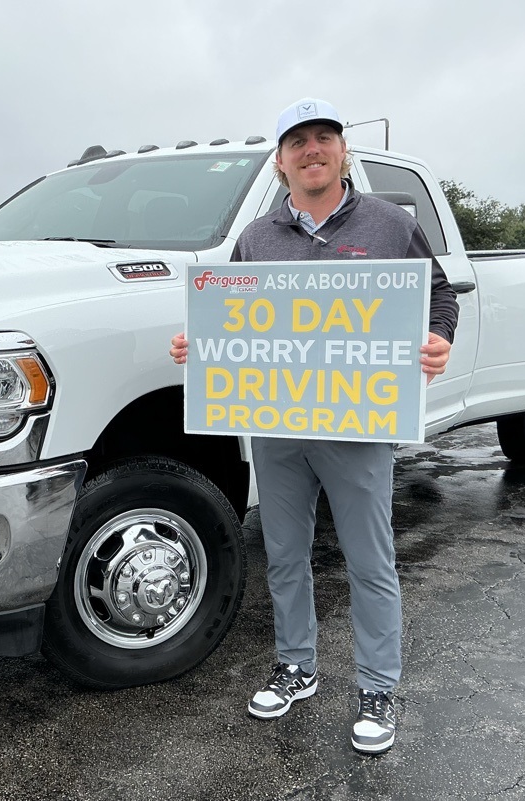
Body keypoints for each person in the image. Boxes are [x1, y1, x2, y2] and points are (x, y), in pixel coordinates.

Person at [169, 97, 459, 754]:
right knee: (285, 556)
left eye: (324, 136)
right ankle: (296, 666)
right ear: (280, 161)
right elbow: (233, 315)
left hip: (357, 426)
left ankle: (377, 686)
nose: (312, 149)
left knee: (370, 560)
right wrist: (203, 344)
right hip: (277, 426)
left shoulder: (388, 224)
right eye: (297, 141)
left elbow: (437, 293)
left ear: (343, 152)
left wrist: (437, 336)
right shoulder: (258, 237)